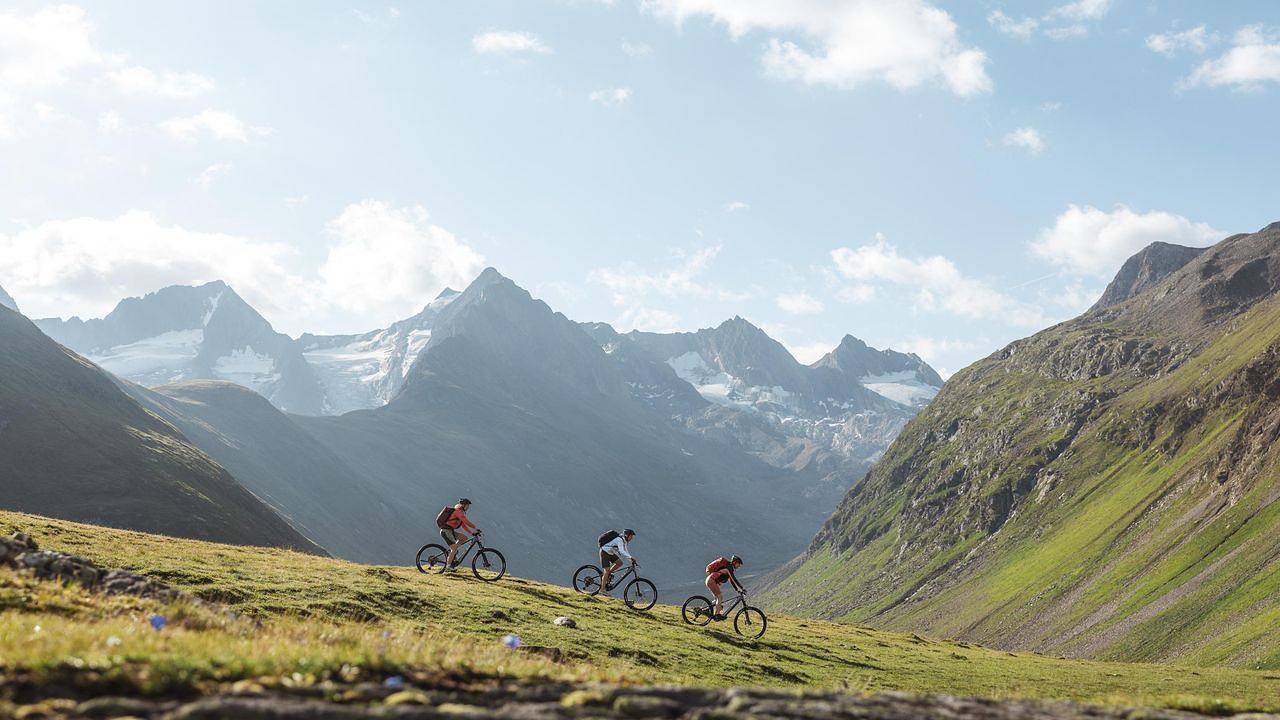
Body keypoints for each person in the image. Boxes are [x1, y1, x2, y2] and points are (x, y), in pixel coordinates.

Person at [437, 498, 479, 572]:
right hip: (446, 531)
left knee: (464, 538)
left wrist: (471, 533)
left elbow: (463, 525)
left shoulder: (461, 512)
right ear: (463, 505)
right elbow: (466, 522)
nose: (468, 507)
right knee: (454, 548)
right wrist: (475, 528)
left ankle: (452, 552)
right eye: (467, 505)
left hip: (450, 531)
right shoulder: (458, 512)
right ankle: (448, 567)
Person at [597, 528, 636, 596]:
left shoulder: (624, 542)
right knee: (606, 570)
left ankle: (608, 574)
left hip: (610, 553)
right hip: (604, 552)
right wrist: (630, 557)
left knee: (620, 563)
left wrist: (631, 560)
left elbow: (626, 551)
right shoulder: (619, 540)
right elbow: (621, 551)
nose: (631, 538)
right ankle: (602, 590)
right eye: (631, 536)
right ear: (627, 535)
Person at [705, 554, 744, 619]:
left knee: (716, 600)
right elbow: (734, 579)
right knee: (720, 597)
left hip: (710, 580)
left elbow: (731, 581)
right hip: (711, 580)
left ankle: (705, 610)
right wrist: (742, 588)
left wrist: (737, 589)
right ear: (734, 562)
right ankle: (717, 615)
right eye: (738, 564)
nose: (739, 566)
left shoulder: (729, 568)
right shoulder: (729, 568)